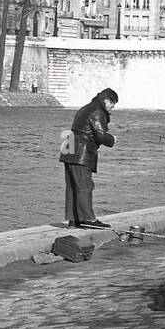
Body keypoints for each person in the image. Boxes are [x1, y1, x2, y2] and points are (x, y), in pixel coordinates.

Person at [59, 87, 118, 229]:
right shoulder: (98, 111)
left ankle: (74, 219)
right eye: (112, 103)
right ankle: (88, 220)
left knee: (73, 186)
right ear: (106, 99)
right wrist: (112, 139)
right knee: (85, 185)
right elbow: (101, 134)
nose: (112, 108)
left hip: (69, 146)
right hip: (81, 151)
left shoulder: (86, 108)